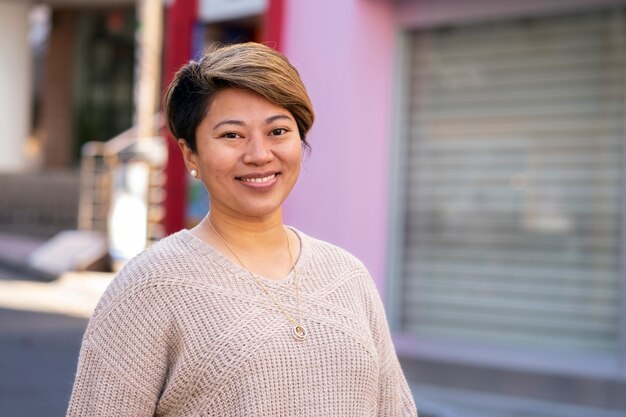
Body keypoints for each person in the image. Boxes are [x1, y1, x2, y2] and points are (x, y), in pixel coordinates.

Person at [67, 42, 417, 417]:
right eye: (232, 135)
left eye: (278, 131)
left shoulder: (347, 276)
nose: (259, 154)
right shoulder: (150, 288)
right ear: (190, 155)